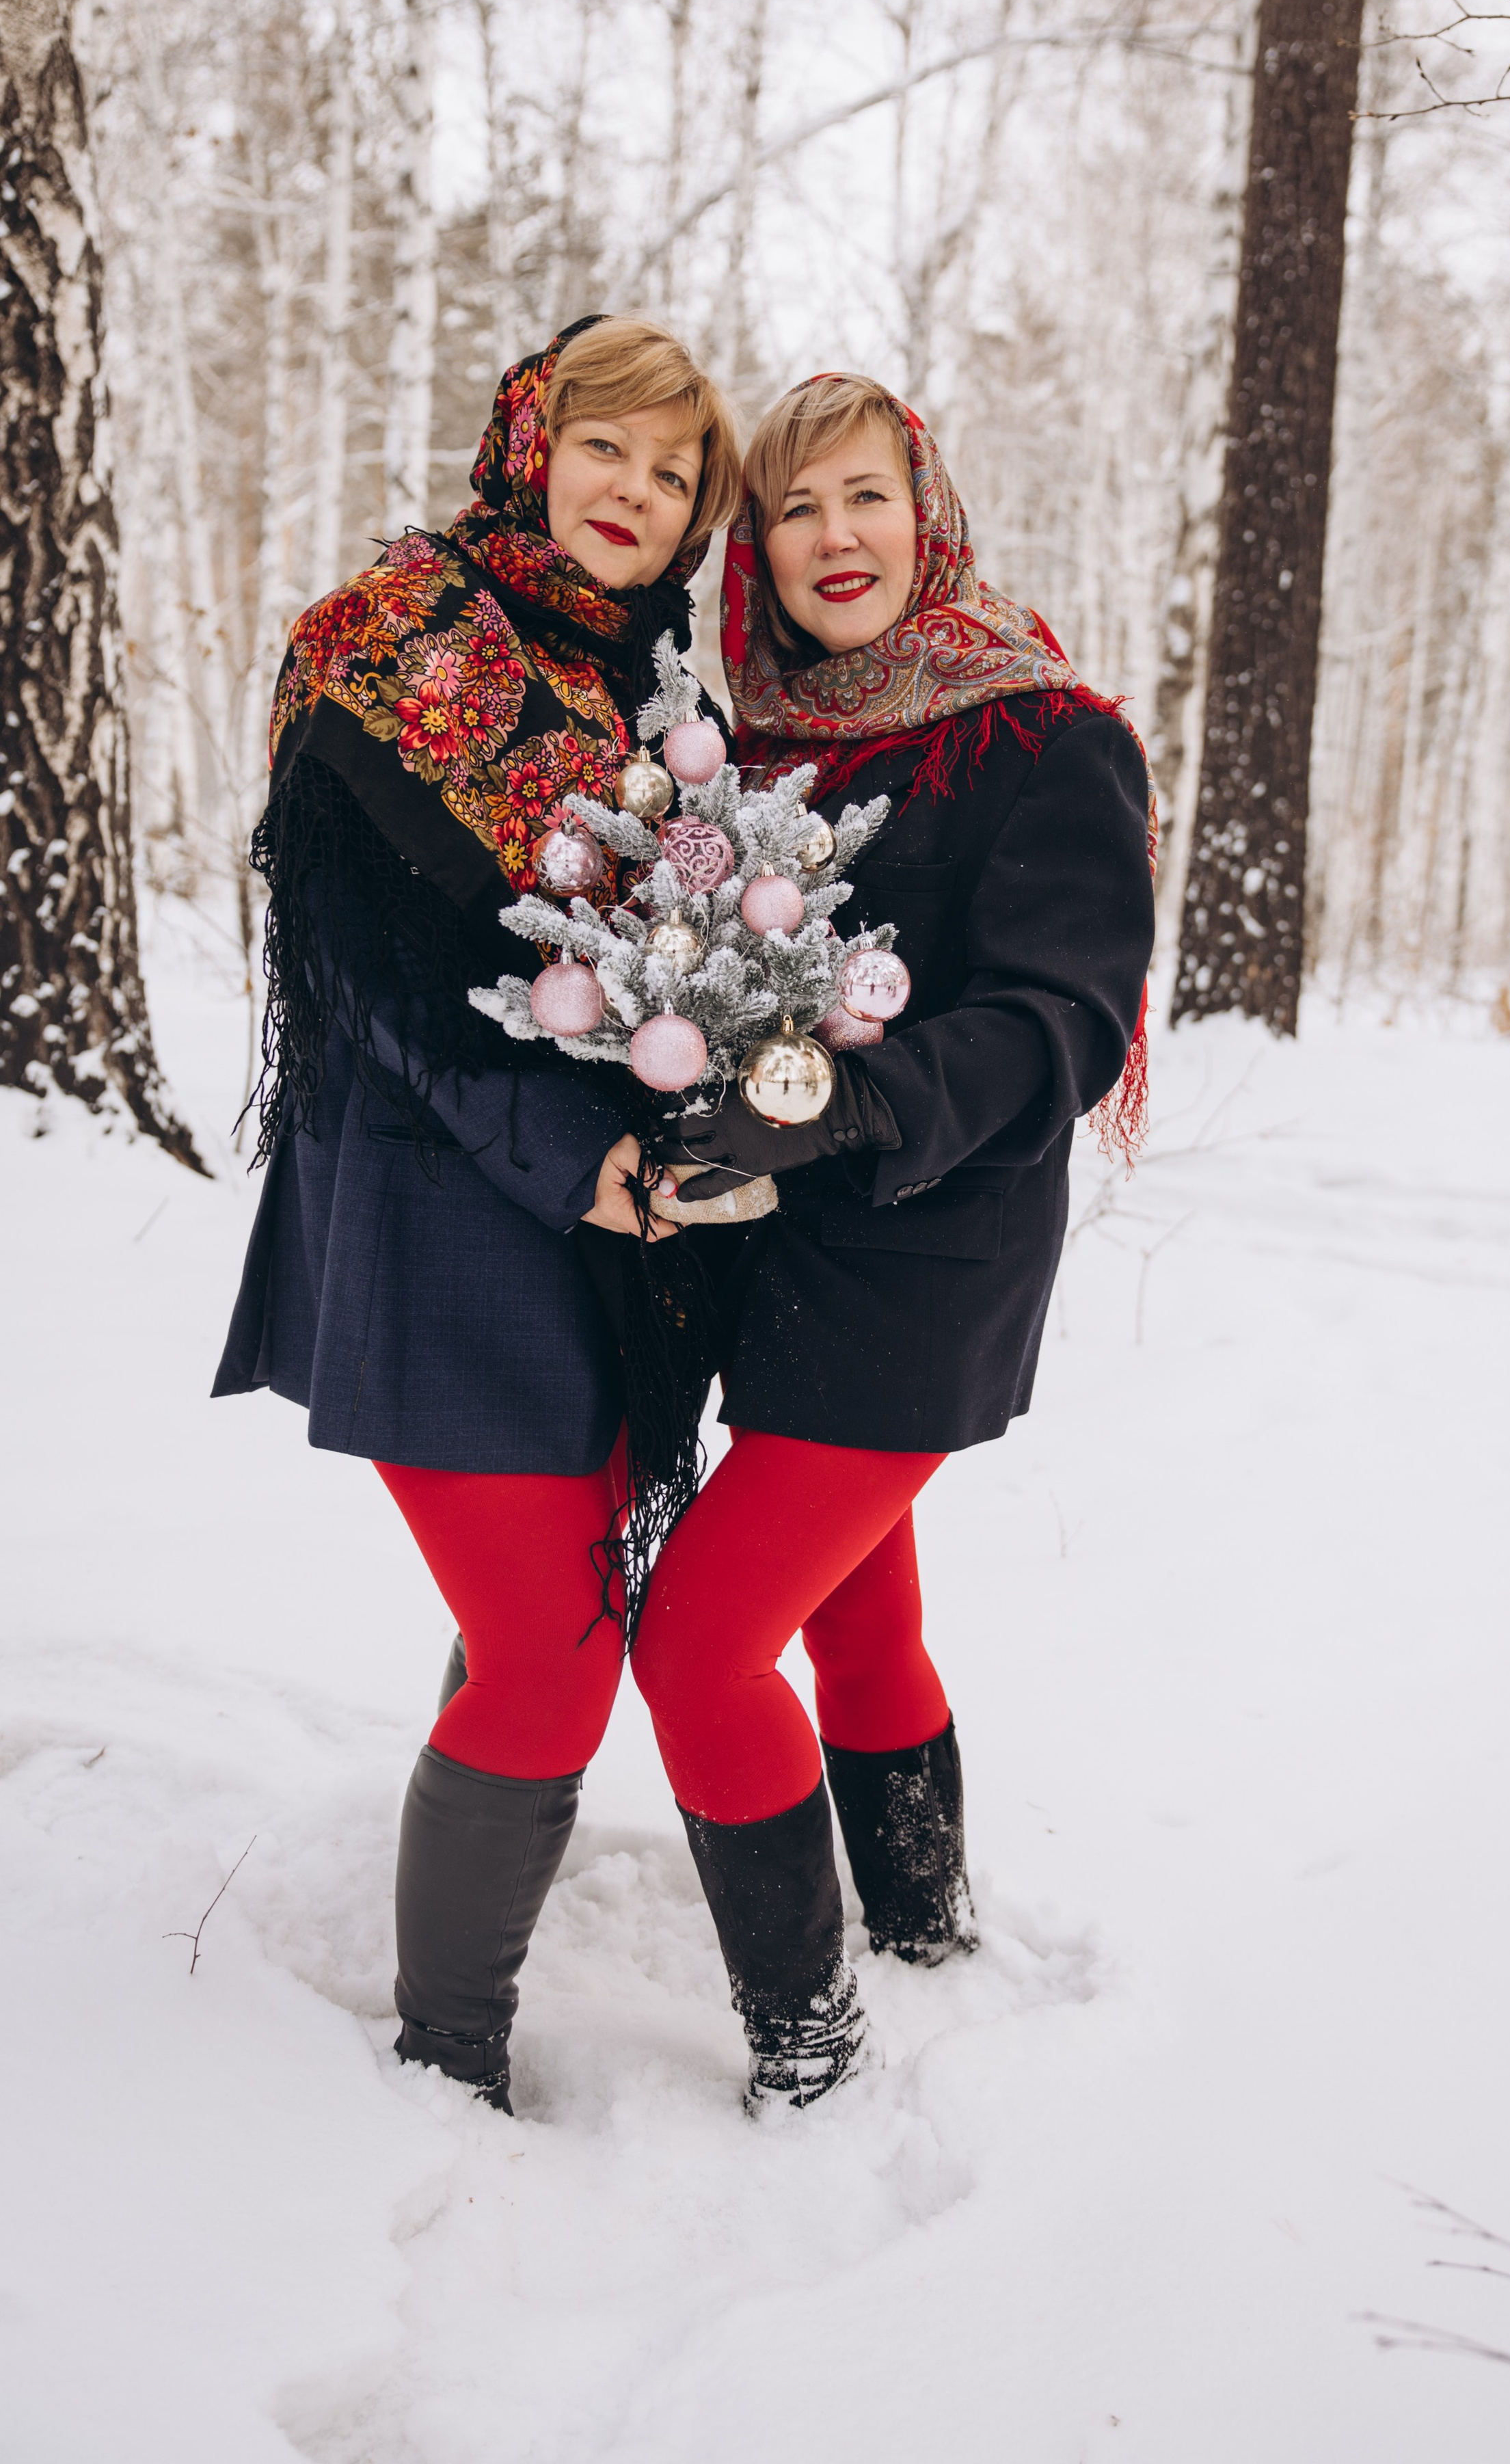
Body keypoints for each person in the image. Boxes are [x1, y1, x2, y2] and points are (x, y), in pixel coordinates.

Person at [213, 316, 739, 2113]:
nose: (639, 494)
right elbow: (368, 985)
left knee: (561, 1599)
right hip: (440, 1219)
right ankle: (443, 2062)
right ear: (532, 439)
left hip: (602, 1238)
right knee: (551, 1651)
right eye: (611, 448)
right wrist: (558, 1149)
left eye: (677, 476)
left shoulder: (661, 691)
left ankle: (469, 1936)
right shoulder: (388, 647)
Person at [630, 373, 1155, 2110]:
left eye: (863, 497)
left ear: (921, 511)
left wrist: (864, 1100)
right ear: (755, 549)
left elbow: (1063, 1019)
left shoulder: (1038, 731)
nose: (832, 538)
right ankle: (919, 1925)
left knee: (700, 1647)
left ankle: (809, 2036)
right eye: (793, 509)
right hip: (762, 1256)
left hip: (925, 1257)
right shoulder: (750, 746)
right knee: (854, 1621)